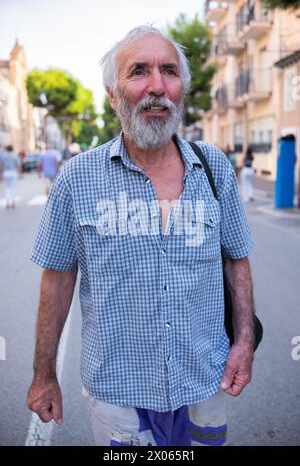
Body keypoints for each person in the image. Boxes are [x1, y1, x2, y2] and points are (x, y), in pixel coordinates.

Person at [27, 26, 255, 447]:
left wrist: (243, 341)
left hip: (205, 380)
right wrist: (44, 375)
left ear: (181, 88)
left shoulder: (215, 169)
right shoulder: (78, 179)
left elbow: (235, 258)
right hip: (118, 394)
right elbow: (57, 280)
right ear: (113, 95)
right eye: (138, 72)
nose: (157, 86)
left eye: (169, 71)